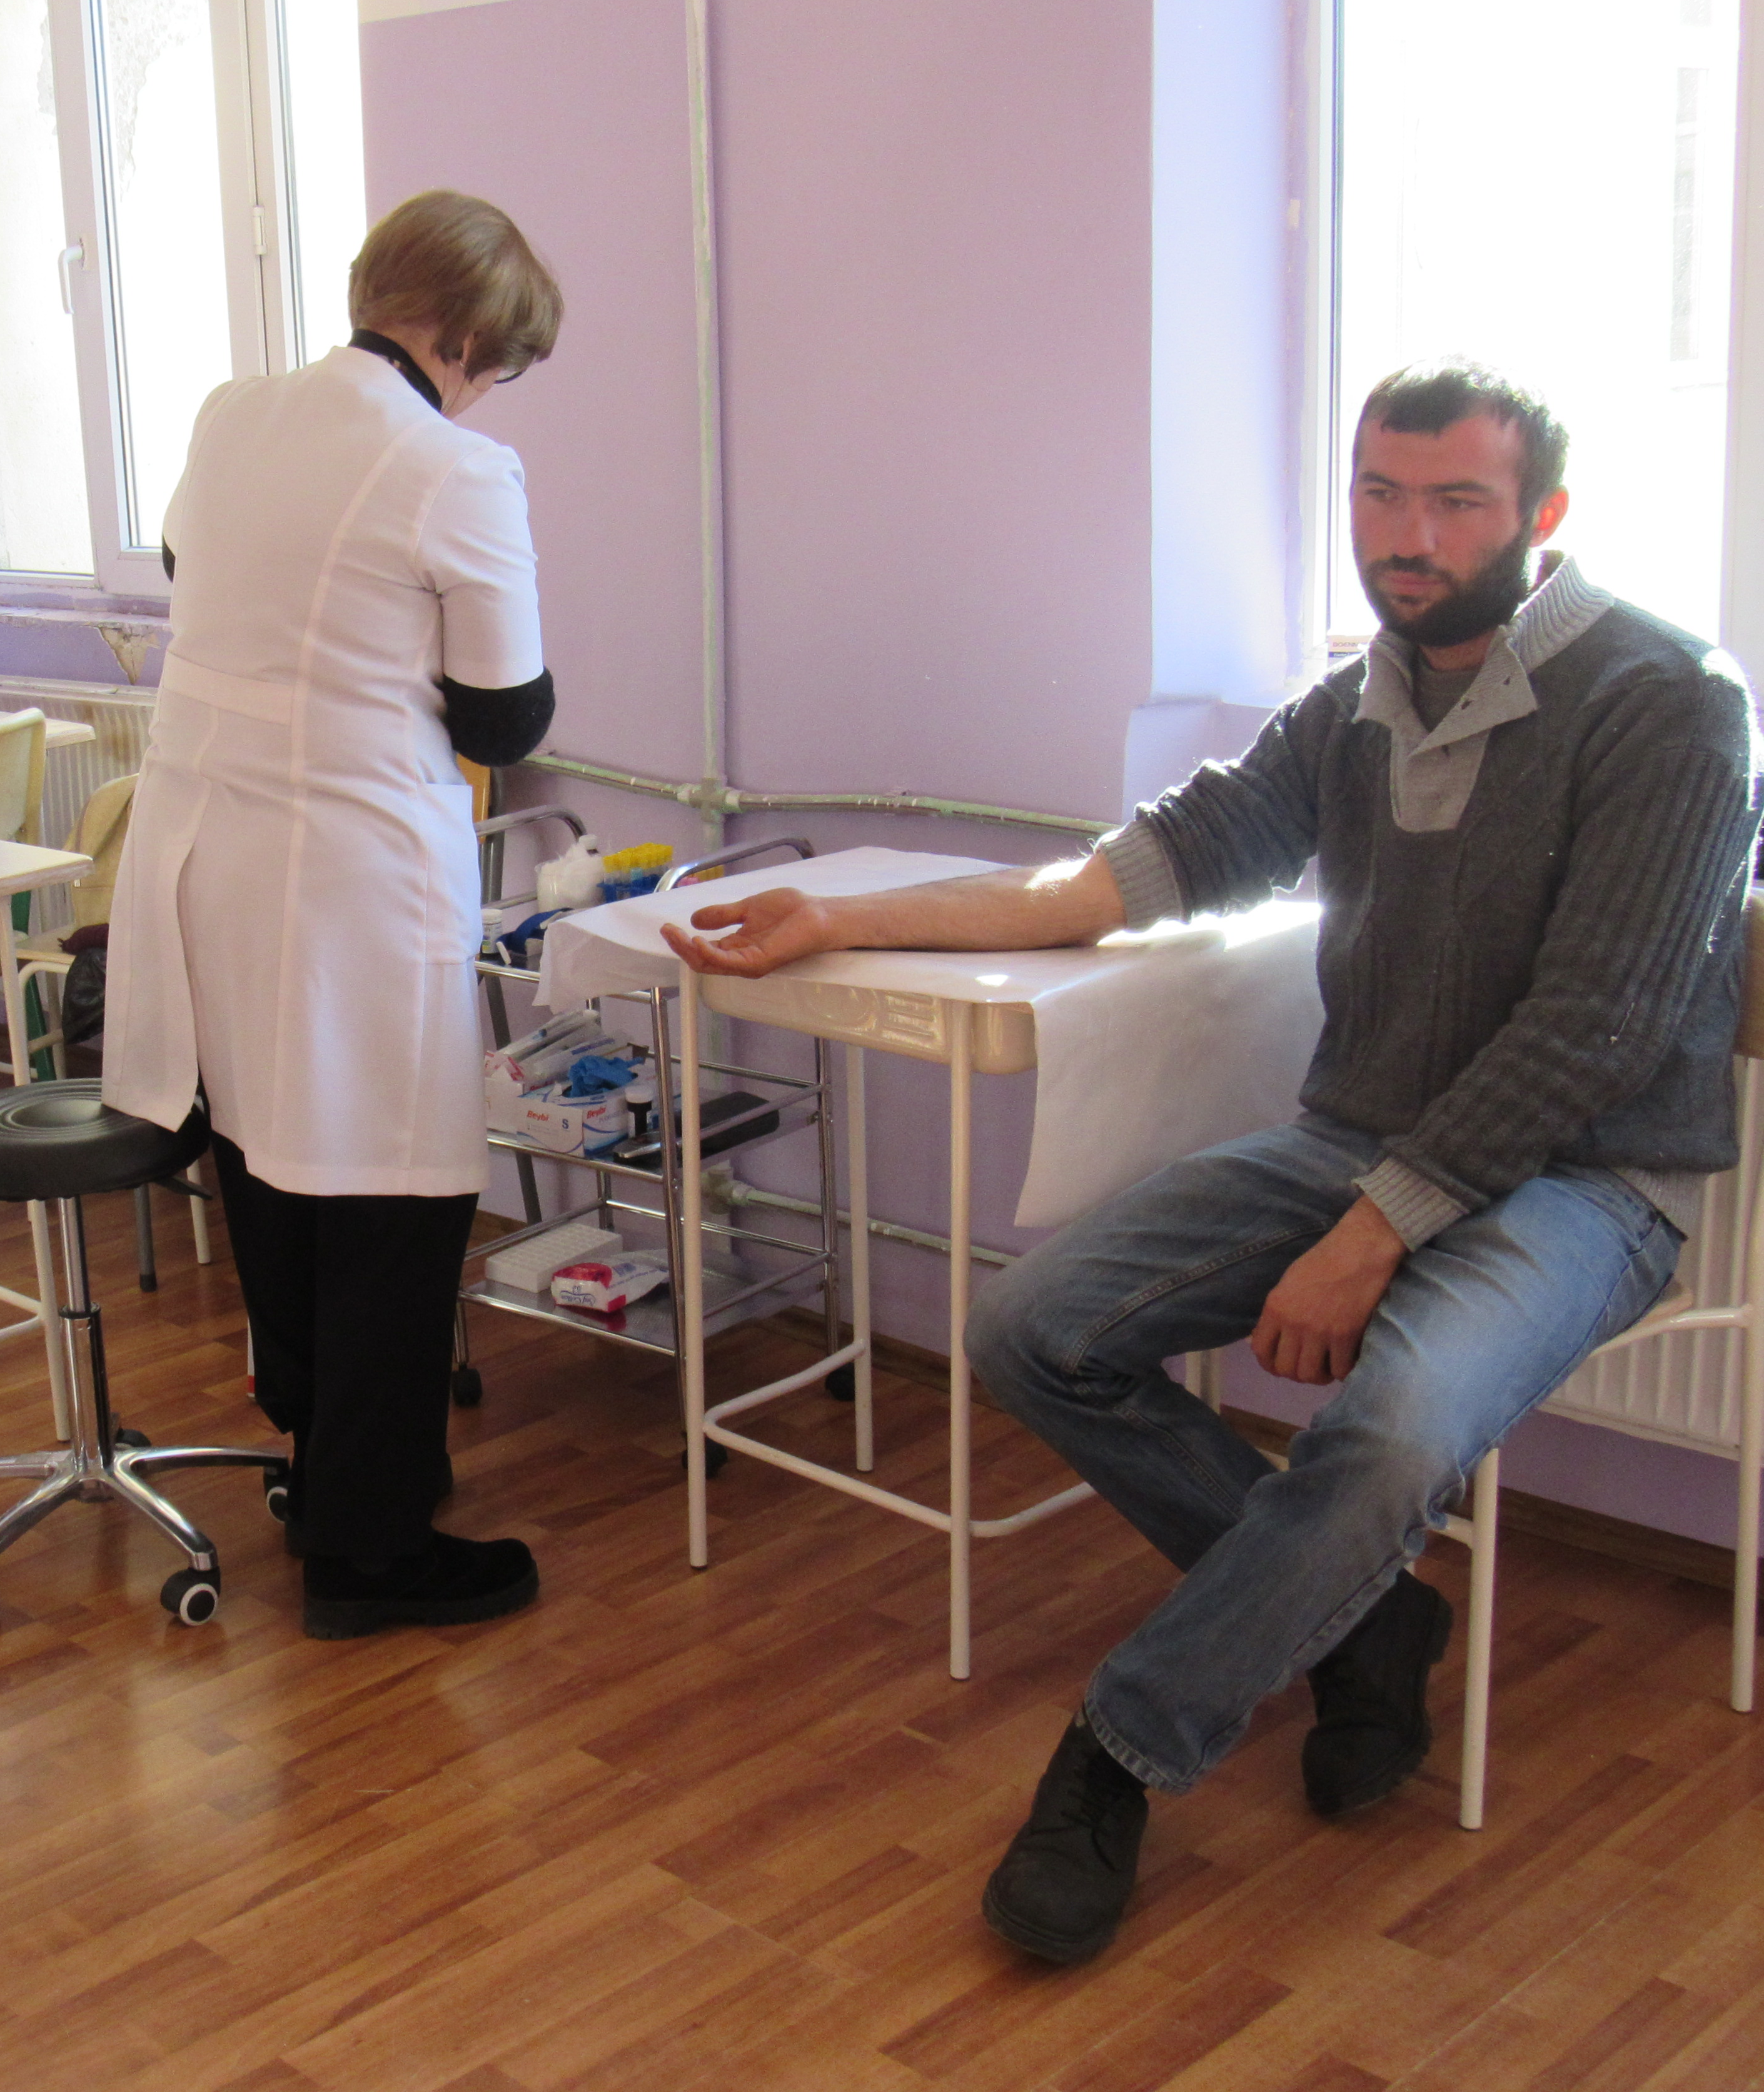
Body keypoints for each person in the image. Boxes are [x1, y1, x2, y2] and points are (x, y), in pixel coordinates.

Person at [667, 361, 1758, 1963]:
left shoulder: (1673, 701)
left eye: (1458, 501)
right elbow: (1108, 885)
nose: (1409, 537)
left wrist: (1370, 1235)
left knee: (1389, 1437)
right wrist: (841, 916)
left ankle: (1118, 1753)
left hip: (1586, 1178)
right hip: (1366, 1133)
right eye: (1380, 494)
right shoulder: (1359, 702)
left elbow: (1593, 1030)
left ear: (1547, 516)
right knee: (1033, 1330)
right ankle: (1366, 1619)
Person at [104, 190, 563, 1641]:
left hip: (209, 857)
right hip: (350, 873)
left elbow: (198, 573)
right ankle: (371, 1551)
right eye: (501, 364)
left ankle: (330, 1476)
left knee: (268, 1163)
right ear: (470, 336)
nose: (490, 391)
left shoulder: (234, 413)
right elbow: (506, 713)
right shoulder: (454, 466)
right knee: (392, 1194)